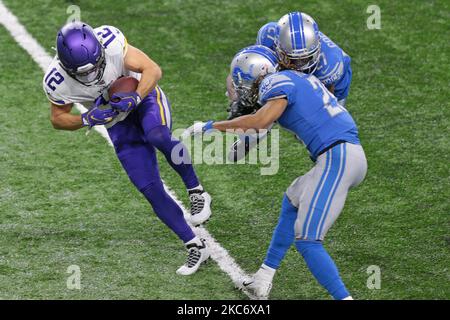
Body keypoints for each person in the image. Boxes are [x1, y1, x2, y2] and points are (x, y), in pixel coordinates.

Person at [182, 43, 367, 299]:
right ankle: (263, 278)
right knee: (293, 199)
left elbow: (260, 121)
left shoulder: (276, 82)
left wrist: (211, 126)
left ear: (256, 74)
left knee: (308, 241)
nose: (241, 88)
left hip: (338, 157)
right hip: (346, 155)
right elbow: (262, 126)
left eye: (242, 82)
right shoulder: (295, 78)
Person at [43, 21, 211, 275]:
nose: (90, 76)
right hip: (116, 122)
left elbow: (152, 70)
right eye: (81, 73)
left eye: (94, 67)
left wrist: (136, 96)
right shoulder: (56, 80)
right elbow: (57, 118)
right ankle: (195, 245)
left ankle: (196, 191)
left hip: (144, 99)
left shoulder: (110, 42)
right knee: (148, 186)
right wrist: (85, 119)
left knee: (157, 135)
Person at [227, 12, 352, 161]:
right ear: (278, 46)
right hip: (281, 66)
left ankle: (325, 160)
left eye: (305, 59)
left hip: (328, 85)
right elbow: (247, 65)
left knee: (318, 129)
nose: (298, 67)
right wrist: (239, 101)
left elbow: (323, 102)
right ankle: (253, 135)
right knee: (262, 92)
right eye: (292, 60)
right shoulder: (269, 36)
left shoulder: (329, 66)